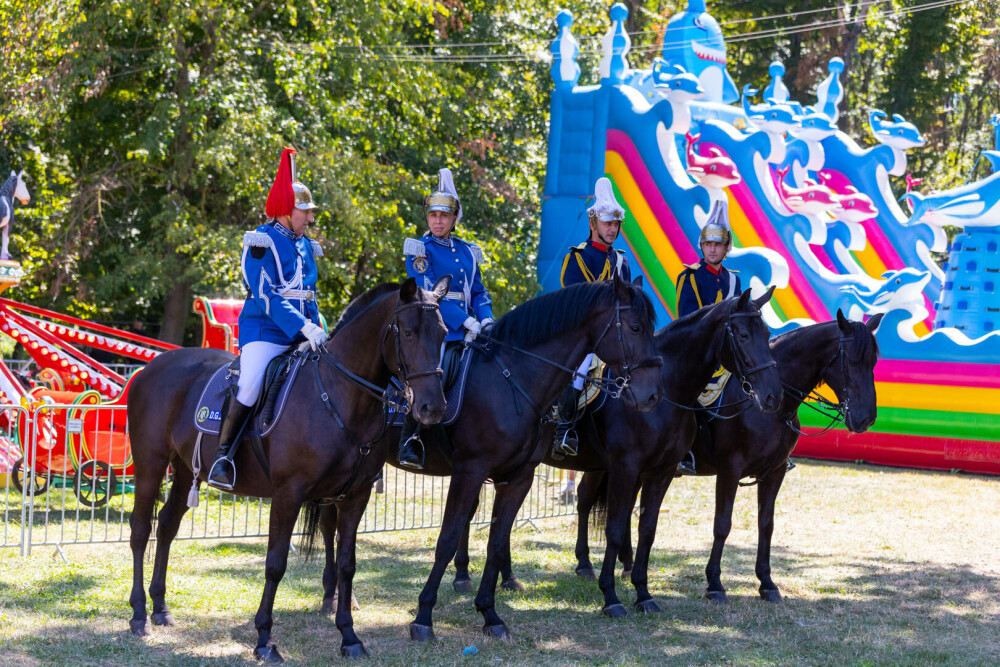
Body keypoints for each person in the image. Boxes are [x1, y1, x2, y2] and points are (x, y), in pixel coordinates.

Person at [207, 147, 328, 491]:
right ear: (287, 211)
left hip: (304, 330)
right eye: (304, 212)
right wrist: (301, 326)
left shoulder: (305, 244)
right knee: (250, 382)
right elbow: (266, 295)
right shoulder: (261, 241)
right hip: (266, 331)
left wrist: (317, 328)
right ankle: (223, 456)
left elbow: (308, 294)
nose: (309, 218)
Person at [397, 168, 494, 470]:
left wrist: (487, 319)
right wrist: (466, 322)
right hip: (435, 329)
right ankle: (410, 438)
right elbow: (428, 292)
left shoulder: (467, 252)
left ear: (454, 219)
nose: (437, 221)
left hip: (471, 328)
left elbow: (478, 292)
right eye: (433, 215)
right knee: (429, 371)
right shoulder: (419, 251)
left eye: (444, 215)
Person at [551, 177, 631, 460]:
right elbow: (573, 304)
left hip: (615, 334)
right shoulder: (577, 258)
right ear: (593, 224)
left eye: (615, 224)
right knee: (579, 369)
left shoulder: (620, 261)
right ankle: (565, 428)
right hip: (584, 335)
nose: (612, 229)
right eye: (607, 223)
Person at [674, 200, 740, 475]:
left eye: (718, 244)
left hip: (728, 352)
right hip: (696, 352)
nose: (712, 249)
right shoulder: (689, 277)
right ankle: (683, 450)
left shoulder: (735, 280)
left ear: (727, 248)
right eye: (708, 244)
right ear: (701, 246)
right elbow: (687, 321)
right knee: (684, 392)